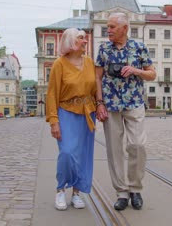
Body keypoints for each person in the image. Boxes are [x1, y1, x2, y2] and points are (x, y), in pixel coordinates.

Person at [95, 12, 156, 211]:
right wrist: (99, 103)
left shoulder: (139, 47)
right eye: (107, 27)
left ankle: (135, 188)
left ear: (124, 28)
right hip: (111, 104)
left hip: (134, 102)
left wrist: (136, 71)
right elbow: (97, 78)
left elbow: (152, 74)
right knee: (114, 150)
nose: (108, 30)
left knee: (138, 145)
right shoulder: (103, 48)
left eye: (112, 27)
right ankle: (121, 192)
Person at [45, 28, 97, 211]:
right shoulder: (59, 64)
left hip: (87, 113)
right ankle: (61, 189)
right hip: (66, 111)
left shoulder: (90, 62)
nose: (85, 41)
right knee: (67, 152)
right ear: (71, 43)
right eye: (81, 38)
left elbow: (95, 88)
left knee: (83, 155)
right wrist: (54, 121)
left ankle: (76, 193)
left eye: (85, 38)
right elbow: (51, 94)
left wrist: (100, 106)